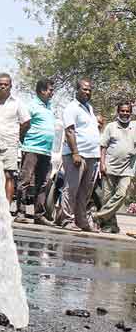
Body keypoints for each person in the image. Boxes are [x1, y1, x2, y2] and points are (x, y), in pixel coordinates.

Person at [55, 78, 100, 231]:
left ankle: (81, 221)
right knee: (72, 188)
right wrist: (75, 153)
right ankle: (67, 220)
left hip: (92, 156)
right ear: (77, 90)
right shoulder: (71, 108)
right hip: (77, 155)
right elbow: (69, 131)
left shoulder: (89, 108)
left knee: (85, 191)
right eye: (84, 89)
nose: (87, 92)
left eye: (89, 90)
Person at [0, 73, 30, 216]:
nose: (2, 86)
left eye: (5, 84)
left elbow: (26, 122)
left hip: (10, 143)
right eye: (0, 84)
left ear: (10, 86)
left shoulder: (17, 103)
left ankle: (5, 209)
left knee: (9, 175)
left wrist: (18, 136)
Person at [93, 102, 136, 233]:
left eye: (127, 111)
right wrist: (102, 164)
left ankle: (98, 216)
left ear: (131, 112)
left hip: (127, 169)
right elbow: (103, 146)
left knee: (122, 194)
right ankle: (110, 226)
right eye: (122, 111)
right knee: (107, 198)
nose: (125, 113)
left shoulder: (134, 126)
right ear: (118, 112)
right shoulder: (111, 127)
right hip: (110, 167)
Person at [17, 79, 55, 226]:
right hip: (32, 149)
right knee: (25, 181)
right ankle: (20, 213)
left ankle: (39, 215)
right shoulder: (31, 106)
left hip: (46, 151)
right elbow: (24, 125)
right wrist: (24, 141)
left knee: (43, 183)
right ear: (41, 91)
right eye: (50, 90)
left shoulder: (49, 107)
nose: (52, 92)